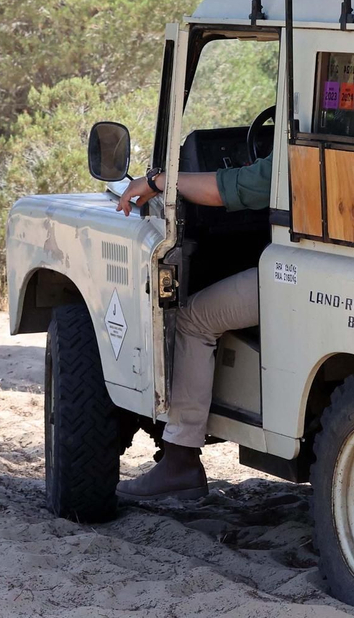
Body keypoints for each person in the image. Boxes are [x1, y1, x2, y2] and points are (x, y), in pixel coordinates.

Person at [110, 154, 271, 501]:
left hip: (305, 273)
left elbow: (238, 189)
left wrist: (158, 181)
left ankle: (181, 458)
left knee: (193, 319)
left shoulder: (308, 134)